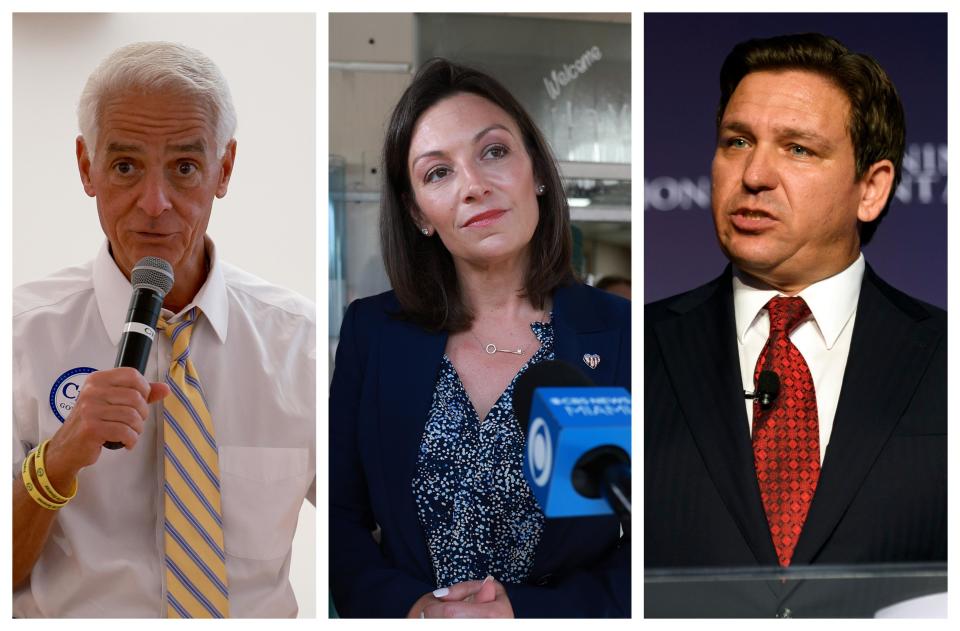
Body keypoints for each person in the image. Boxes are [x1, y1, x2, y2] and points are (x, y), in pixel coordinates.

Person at [13, 42, 315, 618]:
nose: (155, 204)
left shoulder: (299, 342)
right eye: (125, 167)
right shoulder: (19, 338)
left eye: (184, 168)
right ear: (87, 168)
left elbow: (368, 518)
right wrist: (57, 460)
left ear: (223, 170)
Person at [329, 58, 630, 618]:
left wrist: (524, 615)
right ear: (419, 212)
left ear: (535, 170)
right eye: (437, 173)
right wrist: (416, 610)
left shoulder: (619, 335)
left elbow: (646, 543)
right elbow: (338, 519)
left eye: (493, 152)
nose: (474, 186)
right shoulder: (373, 334)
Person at [645, 32, 946, 576]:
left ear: (871, 189)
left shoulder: (944, 355)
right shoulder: (636, 349)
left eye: (798, 149)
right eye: (737, 142)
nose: (754, 176)